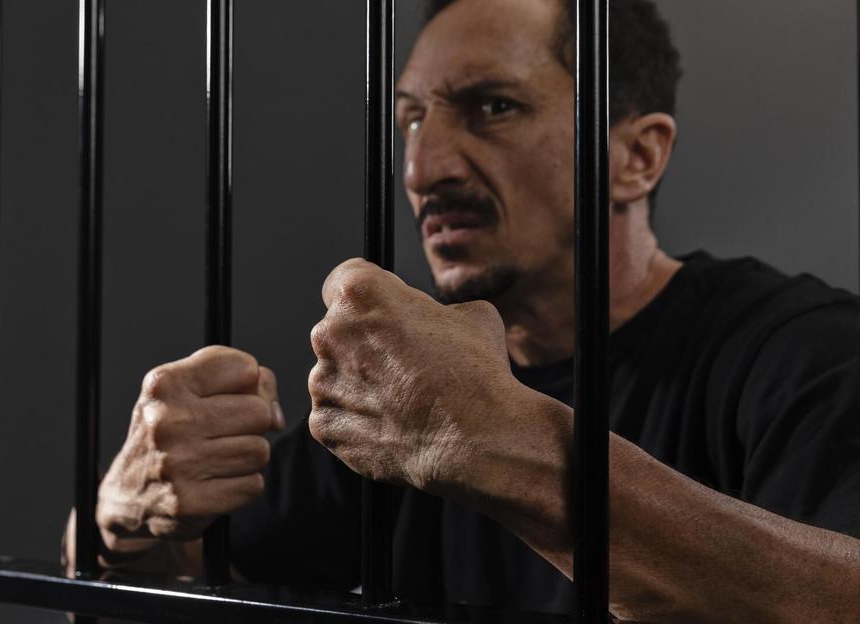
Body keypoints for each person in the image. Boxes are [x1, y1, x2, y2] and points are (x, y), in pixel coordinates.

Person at [75, 0, 860, 621]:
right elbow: (179, 581)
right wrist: (115, 520)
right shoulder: (396, 399)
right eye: (411, 119)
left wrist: (500, 441)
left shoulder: (800, 354)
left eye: (492, 107)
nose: (424, 168)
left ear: (637, 156)